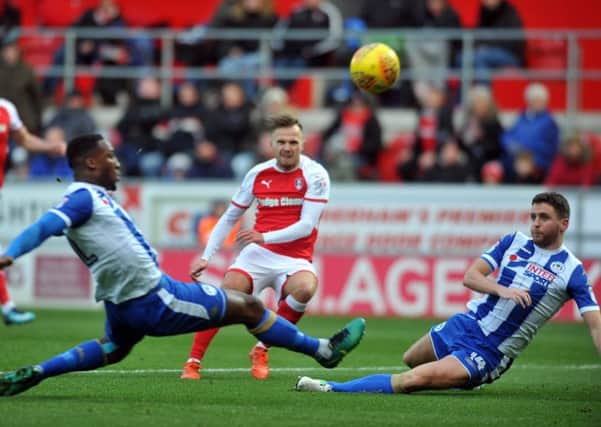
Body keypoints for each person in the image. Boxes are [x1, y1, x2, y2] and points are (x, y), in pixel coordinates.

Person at [0, 133, 365, 397]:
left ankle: (38, 372)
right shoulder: (82, 197)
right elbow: (46, 226)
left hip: (121, 303)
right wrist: (11, 253)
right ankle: (322, 351)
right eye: (110, 156)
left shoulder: (91, 198)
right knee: (251, 306)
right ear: (91, 163)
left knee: (113, 348)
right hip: (154, 298)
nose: (117, 162)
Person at [295, 191, 601, 394]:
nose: (535, 224)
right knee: (411, 359)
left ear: (563, 224)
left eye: (543, 218)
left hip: (491, 351)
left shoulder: (571, 271)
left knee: (412, 381)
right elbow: (471, 277)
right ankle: (461, 377)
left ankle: (331, 387)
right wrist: (502, 290)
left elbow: (595, 324)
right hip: (467, 323)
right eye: (533, 216)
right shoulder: (514, 242)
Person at [180, 114, 330, 381]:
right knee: (226, 296)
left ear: (303, 143)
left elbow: (307, 225)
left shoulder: (315, 174)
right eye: (281, 141)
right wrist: (206, 256)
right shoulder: (257, 174)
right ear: (270, 145)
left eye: (293, 141)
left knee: (306, 288)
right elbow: (229, 217)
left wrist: (265, 236)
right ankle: (192, 362)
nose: (287, 147)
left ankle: (261, 350)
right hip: (258, 255)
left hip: (295, 257)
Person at [0, 97, 65, 326]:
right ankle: (8, 307)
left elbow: (24, 140)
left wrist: (51, 147)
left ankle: (8, 308)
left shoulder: (6, 108)